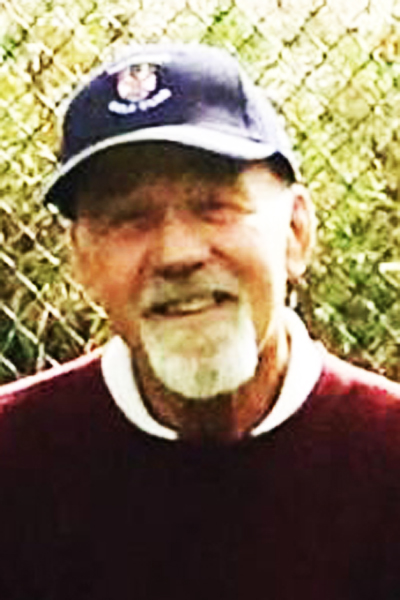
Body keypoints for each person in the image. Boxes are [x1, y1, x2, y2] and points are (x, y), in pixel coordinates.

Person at [0, 42, 399, 600]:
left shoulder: (385, 456)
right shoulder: (16, 461)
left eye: (214, 206)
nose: (177, 253)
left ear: (296, 232)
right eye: (128, 218)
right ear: (82, 260)